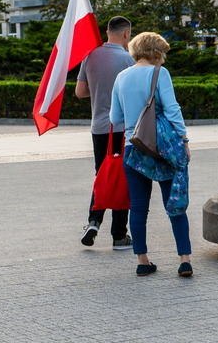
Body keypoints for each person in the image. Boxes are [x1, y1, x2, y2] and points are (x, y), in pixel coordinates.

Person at [110, 32, 193, 277]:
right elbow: (172, 108)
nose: (164, 60)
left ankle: (143, 261)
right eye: (163, 54)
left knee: (138, 208)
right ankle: (185, 259)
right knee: (174, 205)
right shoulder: (159, 74)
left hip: (133, 148)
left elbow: (115, 118)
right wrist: (184, 139)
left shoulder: (121, 77)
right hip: (161, 150)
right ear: (155, 53)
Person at [76, 16, 135, 250]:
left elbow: (80, 92)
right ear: (126, 34)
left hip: (99, 128)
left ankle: (93, 221)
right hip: (121, 128)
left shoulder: (90, 56)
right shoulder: (129, 60)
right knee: (122, 177)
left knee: (102, 175)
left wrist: (100, 88)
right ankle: (119, 236)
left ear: (107, 31)